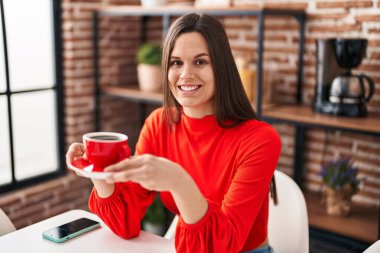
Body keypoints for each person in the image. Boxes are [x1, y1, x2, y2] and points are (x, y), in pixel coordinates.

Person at [66, 13, 281, 253]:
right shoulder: (159, 124)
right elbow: (125, 224)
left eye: (200, 62)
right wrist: (97, 167)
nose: (185, 74)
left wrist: (179, 182)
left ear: (221, 67)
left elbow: (226, 243)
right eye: (176, 62)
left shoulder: (259, 138)